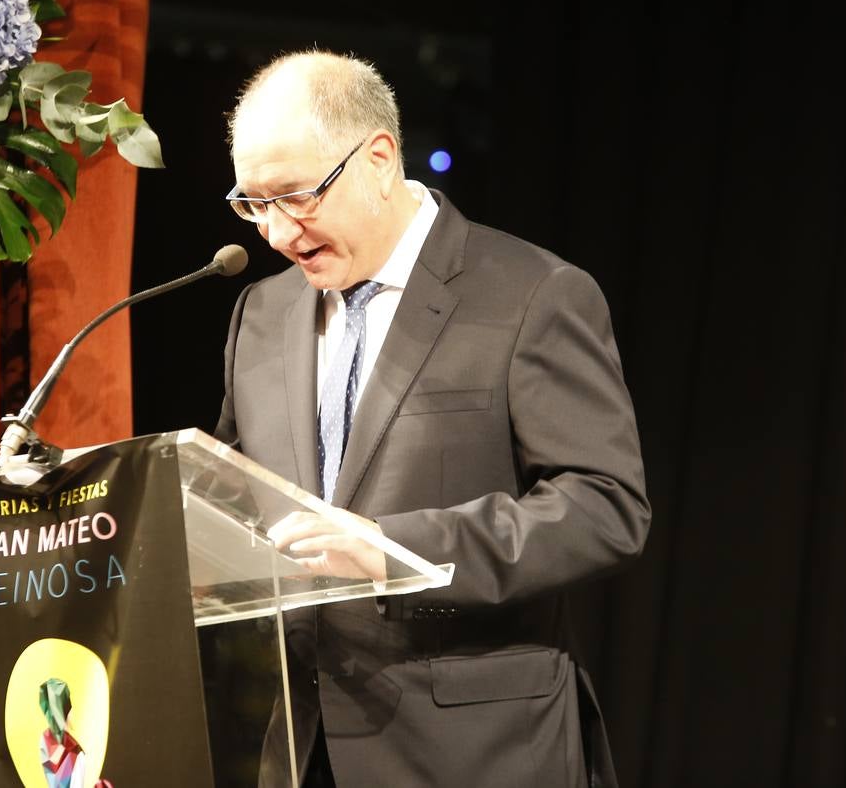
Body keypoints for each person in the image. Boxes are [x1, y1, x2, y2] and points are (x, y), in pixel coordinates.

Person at [214, 49, 650, 788]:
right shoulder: (263, 311)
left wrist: (396, 550)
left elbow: (605, 508)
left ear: (378, 158)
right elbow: (231, 494)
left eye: (296, 196)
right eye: (253, 204)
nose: (278, 234)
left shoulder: (532, 293)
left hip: (474, 752)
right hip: (299, 748)